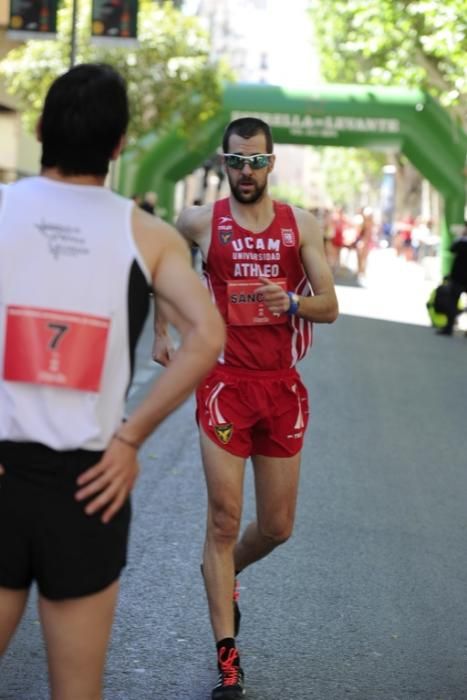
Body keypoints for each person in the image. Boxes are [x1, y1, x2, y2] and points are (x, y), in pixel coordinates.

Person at [0, 63, 225, 699]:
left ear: (41, 128)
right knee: (77, 691)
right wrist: (131, 439)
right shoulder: (148, 235)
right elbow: (208, 336)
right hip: (91, 483)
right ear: (120, 143)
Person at [153, 117, 339, 698]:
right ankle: (228, 660)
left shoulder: (297, 225)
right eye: (237, 161)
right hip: (225, 383)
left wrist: (292, 301)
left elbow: (330, 305)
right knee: (224, 519)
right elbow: (164, 251)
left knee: (278, 527)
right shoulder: (202, 221)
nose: (246, 171)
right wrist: (163, 327)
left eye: (256, 161)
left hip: (281, 387)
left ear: (271, 163)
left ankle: (223, 572)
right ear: (225, 161)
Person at [436, 221, 467, 335]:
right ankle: (449, 326)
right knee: (452, 302)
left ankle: (449, 327)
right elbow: (452, 248)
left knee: (452, 302)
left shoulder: (462, 242)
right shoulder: (461, 241)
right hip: (458, 277)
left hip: (460, 277)